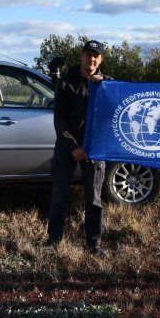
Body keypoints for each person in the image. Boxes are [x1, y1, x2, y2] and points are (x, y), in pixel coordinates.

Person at [47, 40, 112, 254]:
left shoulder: (108, 84)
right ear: (81, 56)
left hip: (94, 149)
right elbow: (60, 122)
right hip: (67, 148)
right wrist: (74, 147)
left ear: (101, 59)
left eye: (96, 55)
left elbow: (116, 111)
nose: (91, 59)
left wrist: (103, 86)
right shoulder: (66, 83)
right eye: (88, 54)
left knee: (93, 198)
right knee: (59, 196)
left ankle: (94, 243)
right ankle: (54, 241)